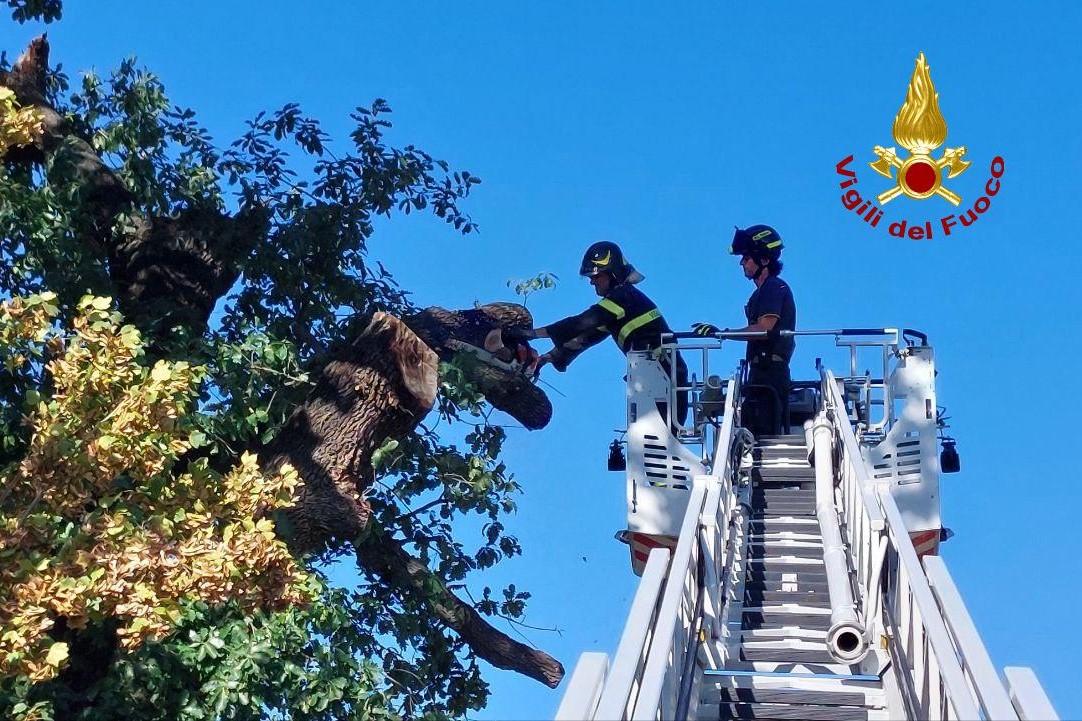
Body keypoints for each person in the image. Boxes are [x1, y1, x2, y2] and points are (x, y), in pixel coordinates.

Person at [500, 241, 688, 424]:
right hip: (658, 379)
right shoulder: (621, 308)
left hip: (664, 381)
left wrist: (527, 334)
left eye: (596, 276)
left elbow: (579, 324)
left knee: (655, 438)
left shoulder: (623, 298)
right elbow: (584, 338)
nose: (591, 281)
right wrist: (546, 359)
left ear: (613, 274)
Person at [693, 224, 796, 435]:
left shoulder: (774, 287)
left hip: (770, 374)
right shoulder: (760, 293)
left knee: (763, 432)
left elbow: (764, 329)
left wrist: (723, 333)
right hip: (760, 372)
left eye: (747, 258)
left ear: (765, 260)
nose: (742, 262)